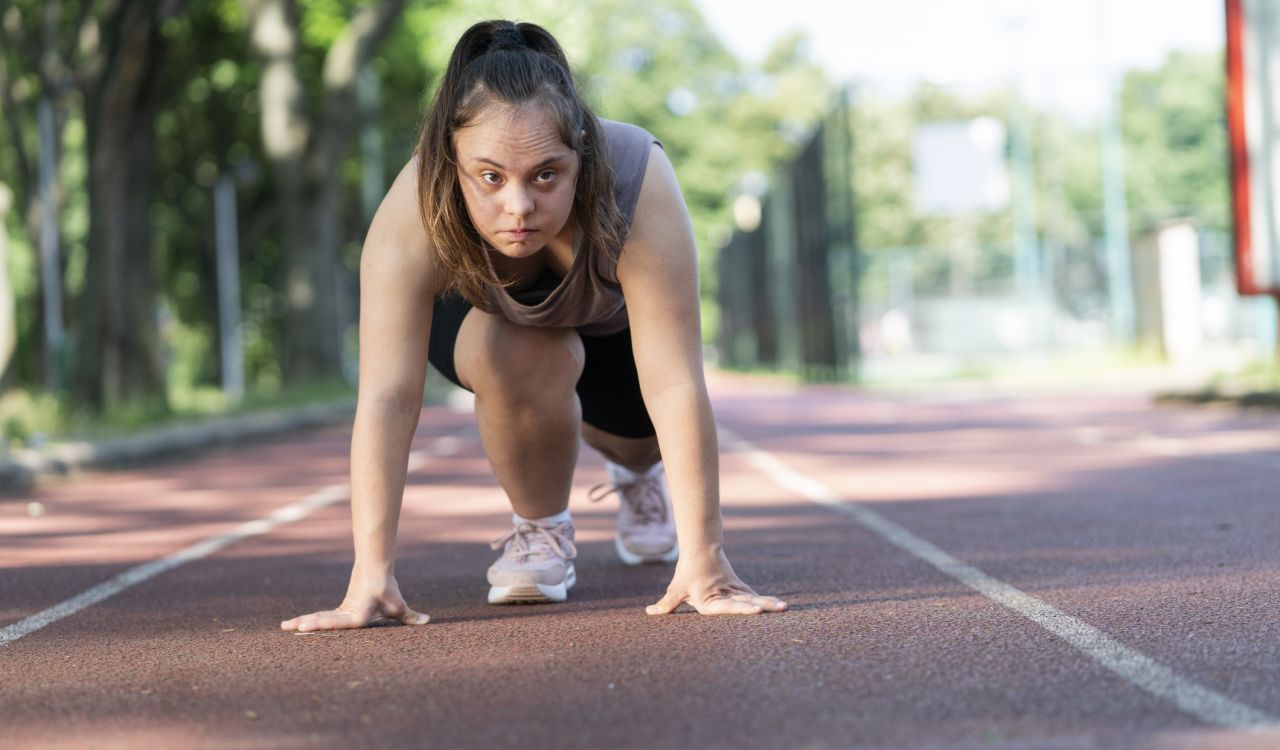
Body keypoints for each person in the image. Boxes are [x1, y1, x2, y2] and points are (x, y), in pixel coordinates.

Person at [281, 19, 787, 631]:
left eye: (545, 175)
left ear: (581, 151)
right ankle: (540, 529)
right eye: (490, 177)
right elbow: (386, 398)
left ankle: (634, 472)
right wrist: (370, 573)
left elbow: (676, 382)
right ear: (452, 160)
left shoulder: (635, 179)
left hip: (612, 335)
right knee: (517, 348)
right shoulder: (414, 206)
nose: (518, 208)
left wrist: (705, 560)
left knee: (637, 436)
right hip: (483, 324)